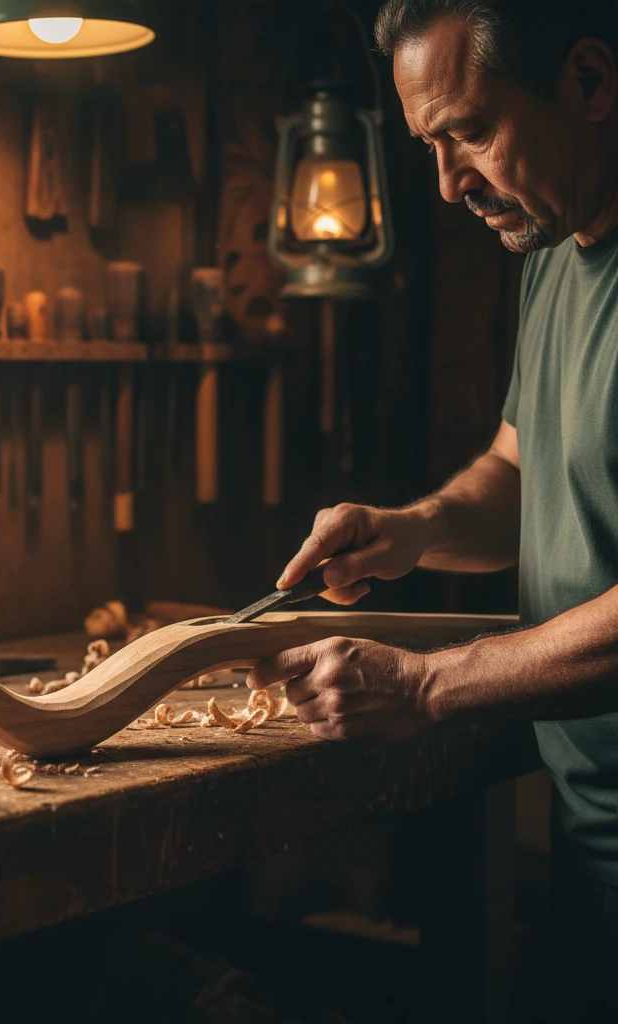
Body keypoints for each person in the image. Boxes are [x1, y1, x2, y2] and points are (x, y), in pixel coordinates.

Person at [245, 1, 618, 1016]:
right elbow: (521, 466)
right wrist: (410, 529)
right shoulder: (552, 246)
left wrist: (423, 687)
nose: (449, 184)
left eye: (471, 132)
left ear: (589, 84)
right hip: (591, 834)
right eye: (430, 145)